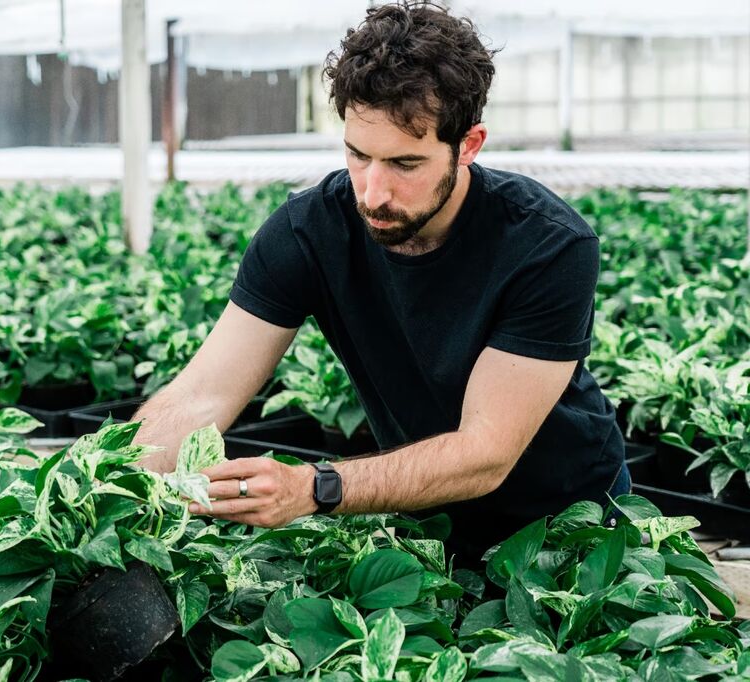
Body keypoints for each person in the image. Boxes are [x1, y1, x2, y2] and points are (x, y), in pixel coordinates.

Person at [134, 0, 630, 563]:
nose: (372, 193)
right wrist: (105, 482)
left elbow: (486, 452)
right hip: (425, 522)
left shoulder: (548, 244)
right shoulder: (306, 232)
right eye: (357, 155)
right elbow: (201, 396)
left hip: (570, 527)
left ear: (468, 145)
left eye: (404, 164)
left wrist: (313, 487)